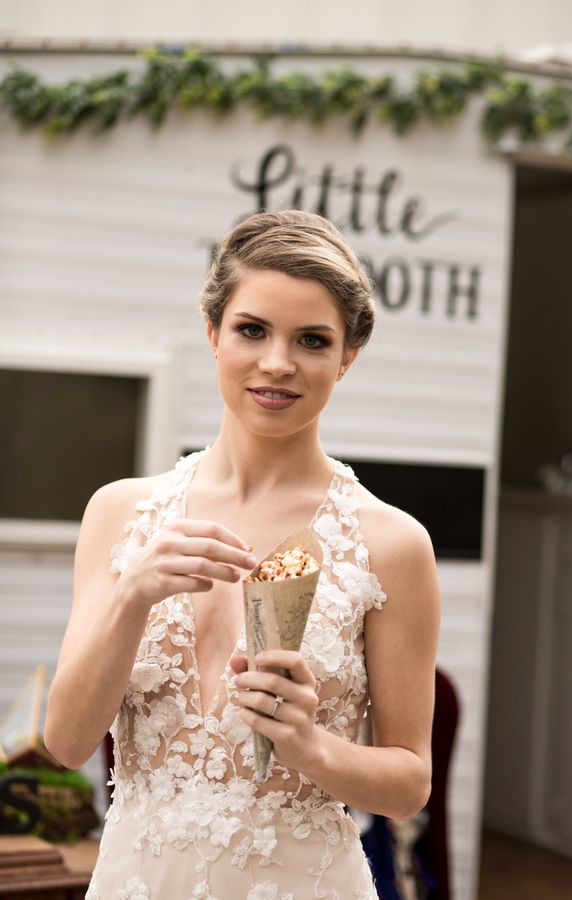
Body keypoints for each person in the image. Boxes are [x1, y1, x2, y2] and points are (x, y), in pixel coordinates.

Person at [44, 209, 441, 899]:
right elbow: (67, 742)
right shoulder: (120, 514)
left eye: (312, 340)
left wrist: (311, 747)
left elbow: (409, 783)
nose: (278, 363)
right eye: (252, 329)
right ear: (213, 333)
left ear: (346, 357)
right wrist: (132, 594)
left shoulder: (392, 542)